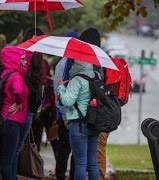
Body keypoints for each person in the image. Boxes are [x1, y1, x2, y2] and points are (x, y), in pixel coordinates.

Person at [57, 29, 101, 179]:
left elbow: (67, 101)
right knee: (93, 163)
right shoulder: (95, 75)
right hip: (94, 123)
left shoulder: (76, 79)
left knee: (80, 163)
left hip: (78, 124)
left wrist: (62, 87)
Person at [0, 45, 32, 180]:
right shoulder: (16, 76)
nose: (24, 62)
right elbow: (18, 90)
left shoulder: (4, 72)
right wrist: (19, 102)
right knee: (8, 160)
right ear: (14, 58)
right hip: (12, 122)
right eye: (22, 59)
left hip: (2, 119)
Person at [12, 27, 46, 179]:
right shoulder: (32, 61)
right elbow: (27, 86)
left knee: (15, 147)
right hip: (26, 108)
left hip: (26, 108)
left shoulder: (28, 60)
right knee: (16, 147)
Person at [79, 27, 110, 180]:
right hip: (105, 112)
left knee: (94, 154)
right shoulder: (105, 60)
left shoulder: (90, 60)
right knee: (97, 152)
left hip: (93, 113)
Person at [52, 31, 79, 180]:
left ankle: (60, 176)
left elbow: (58, 90)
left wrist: (60, 113)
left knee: (63, 149)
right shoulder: (82, 63)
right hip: (78, 114)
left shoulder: (61, 64)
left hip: (64, 112)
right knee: (77, 151)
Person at [32, 59, 56, 152]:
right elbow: (53, 99)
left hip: (35, 110)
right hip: (47, 111)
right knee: (53, 138)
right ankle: (58, 164)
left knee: (35, 138)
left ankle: (35, 162)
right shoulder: (50, 82)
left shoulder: (33, 79)